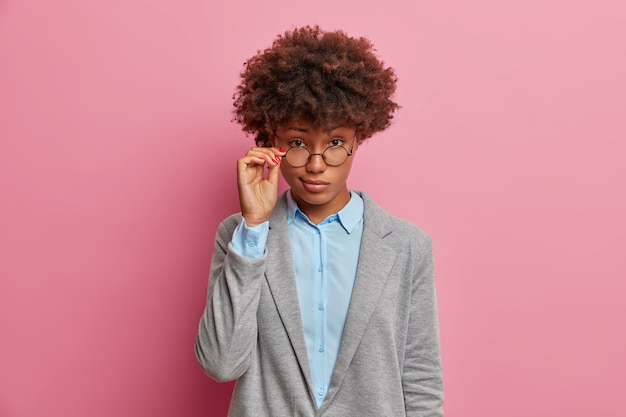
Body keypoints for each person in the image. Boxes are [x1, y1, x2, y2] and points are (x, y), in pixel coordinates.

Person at [195, 25, 443, 416]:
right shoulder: (239, 237)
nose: (314, 164)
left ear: (358, 139)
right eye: (297, 142)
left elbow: (421, 381)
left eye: (335, 144)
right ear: (271, 140)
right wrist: (255, 229)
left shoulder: (406, 246)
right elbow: (221, 363)